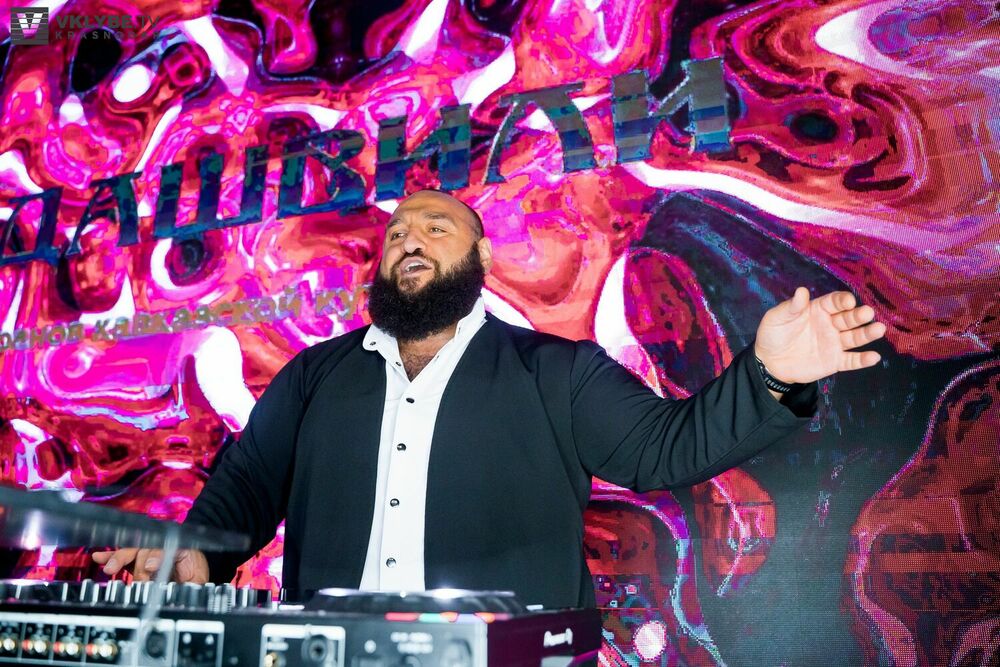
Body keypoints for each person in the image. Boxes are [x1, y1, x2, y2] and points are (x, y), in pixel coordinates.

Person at [93, 189, 886, 608]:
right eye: (398, 234)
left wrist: (768, 373)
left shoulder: (557, 372)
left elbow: (666, 447)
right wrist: (196, 553)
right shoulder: (311, 376)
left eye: (434, 229)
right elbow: (245, 489)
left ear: (477, 256)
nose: (409, 239)